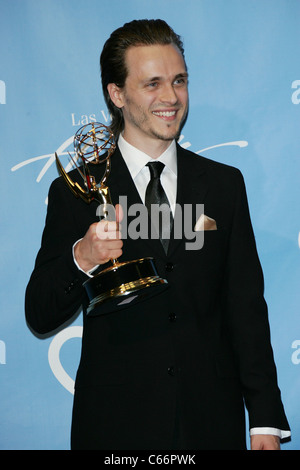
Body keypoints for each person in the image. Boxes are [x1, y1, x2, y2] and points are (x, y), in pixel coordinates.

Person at [25, 19, 290, 450]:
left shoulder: (224, 185)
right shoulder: (76, 190)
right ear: (116, 94)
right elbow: (39, 313)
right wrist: (83, 256)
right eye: (152, 84)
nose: (171, 97)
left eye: (179, 80)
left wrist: (264, 417)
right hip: (115, 425)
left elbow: (245, 308)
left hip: (210, 421)